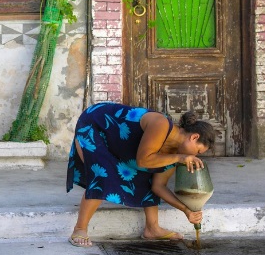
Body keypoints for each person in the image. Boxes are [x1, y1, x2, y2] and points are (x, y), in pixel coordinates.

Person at [66, 102, 216, 247]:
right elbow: (143, 160)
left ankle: (152, 229)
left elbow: (158, 187)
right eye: (198, 151)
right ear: (194, 137)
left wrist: (186, 210)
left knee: (149, 174)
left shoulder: (174, 155)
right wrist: (180, 158)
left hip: (122, 143)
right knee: (102, 174)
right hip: (96, 124)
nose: (196, 156)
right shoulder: (161, 124)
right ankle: (79, 229)